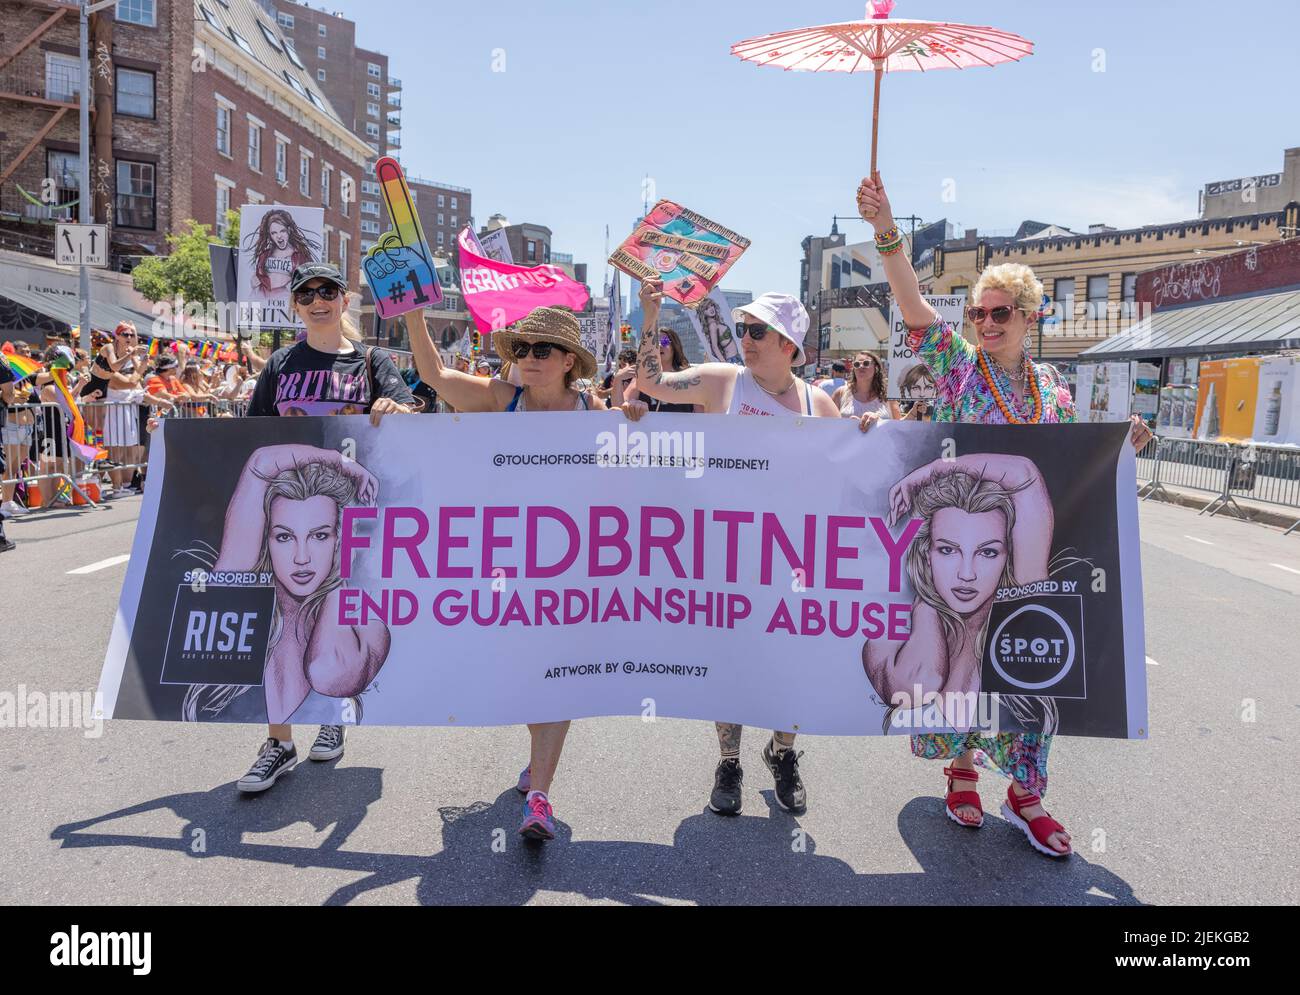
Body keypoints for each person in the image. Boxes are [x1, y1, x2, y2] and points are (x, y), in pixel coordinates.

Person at [856, 171, 1152, 857]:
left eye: (1000, 314)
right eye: (978, 314)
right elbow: (914, 309)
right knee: (963, 667)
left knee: (1026, 673)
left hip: (1026, 568)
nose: (985, 324)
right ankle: (962, 771)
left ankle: (1026, 793)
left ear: (1030, 316)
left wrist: (1123, 446)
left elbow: (1073, 471)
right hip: (961, 551)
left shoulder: (1052, 386)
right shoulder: (959, 367)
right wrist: (886, 231)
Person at [407, 304, 644, 842]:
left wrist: (633, 427)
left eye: (543, 351)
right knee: (521, 673)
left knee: (555, 677)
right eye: (523, 350)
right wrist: (416, 316)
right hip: (505, 565)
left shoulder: (596, 412)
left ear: (567, 362)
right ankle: (536, 764)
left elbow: (634, 477)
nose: (530, 359)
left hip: (570, 570)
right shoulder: (500, 400)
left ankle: (539, 796)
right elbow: (433, 377)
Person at [632, 275, 839, 817]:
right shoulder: (726, 382)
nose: (745, 338)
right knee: (731, 661)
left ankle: (784, 752)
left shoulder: (820, 405)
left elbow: (848, 478)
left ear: (789, 346)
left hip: (793, 559)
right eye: (744, 327)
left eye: (759, 331)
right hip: (731, 555)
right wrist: (651, 315)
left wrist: (867, 430)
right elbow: (652, 384)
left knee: (791, 662)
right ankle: (729, 761)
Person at [228, 261, 414, 792]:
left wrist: (397, 409)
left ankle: (333, 713)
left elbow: (410, 412)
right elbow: (255, 435)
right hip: (289, 512)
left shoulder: (372, 360)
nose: (317, 300)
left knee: (332, 622)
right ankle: (280, 741)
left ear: (345, 298)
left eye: (327, 290)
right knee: (279, 622)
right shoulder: (280, 363)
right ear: (295, 305)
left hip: (354, 517)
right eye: (306, 293)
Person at [831, 351, 902, 420]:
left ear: (876, 368)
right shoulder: (840, 393)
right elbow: (828, 423)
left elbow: (899, 425)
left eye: (866, 363)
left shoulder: (888, 395)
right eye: (857, 364)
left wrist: (879, 422)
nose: (861, 366)